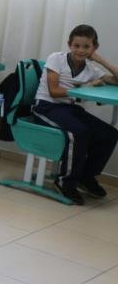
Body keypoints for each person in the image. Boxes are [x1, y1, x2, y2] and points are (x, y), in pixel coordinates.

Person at [33, 24, 118, 204]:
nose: (80, 50)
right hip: (46, 106)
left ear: (94, 48)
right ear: (69, 44)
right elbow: (54, 91)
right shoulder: (56, 58)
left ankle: (85, 177)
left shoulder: (91, 68)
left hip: (70, 109)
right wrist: (86, 86)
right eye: (76, 45)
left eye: (86, 46)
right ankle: (66, 181)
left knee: (109, 134)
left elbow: (115, 80)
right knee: (79, 133)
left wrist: (101, 60)